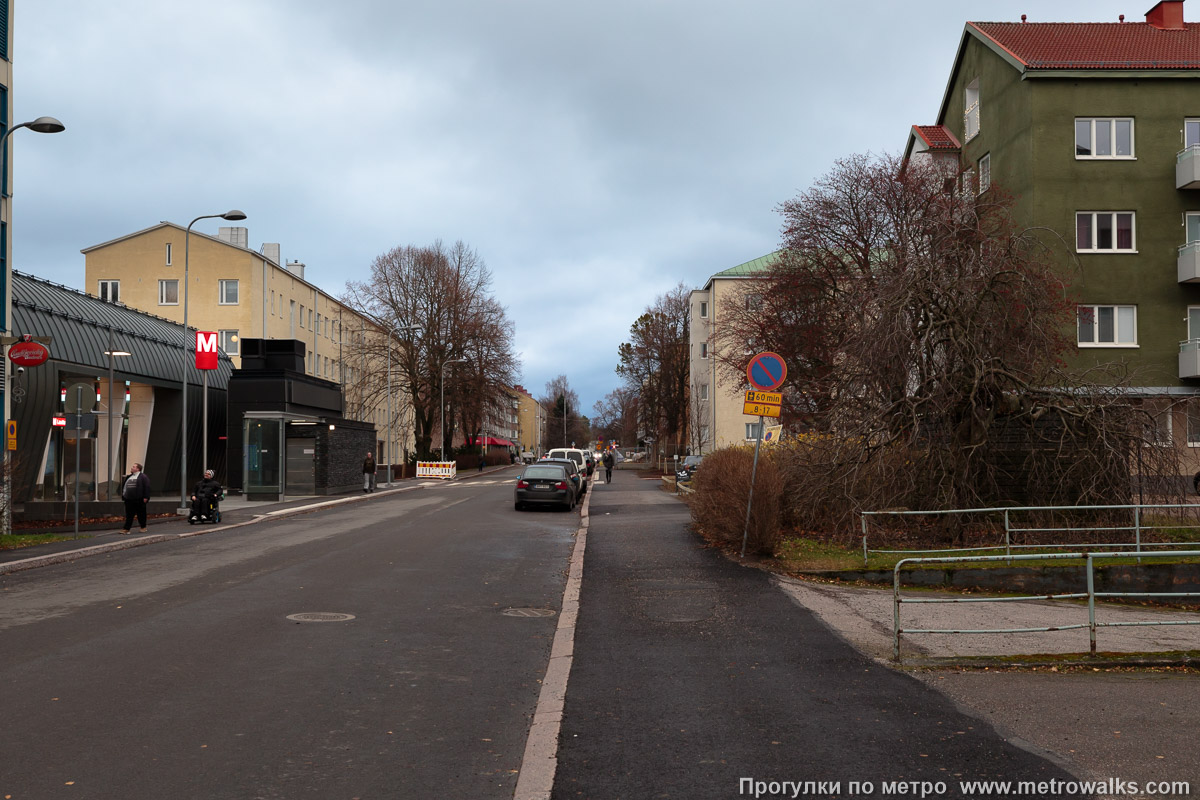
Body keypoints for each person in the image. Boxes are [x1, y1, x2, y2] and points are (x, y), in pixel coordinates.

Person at [120, 462, 151, 534]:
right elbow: (125, 486)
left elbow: (147, 487)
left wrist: (146, 497)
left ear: (138, 469)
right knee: (129, 514)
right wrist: (124, 496)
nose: (132, 468)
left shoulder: (143, 477)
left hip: (139, 499)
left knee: (141, 514)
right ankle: (126, 529)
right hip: (129, 499)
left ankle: (143, 527)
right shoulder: (129, 476)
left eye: (133, 467)